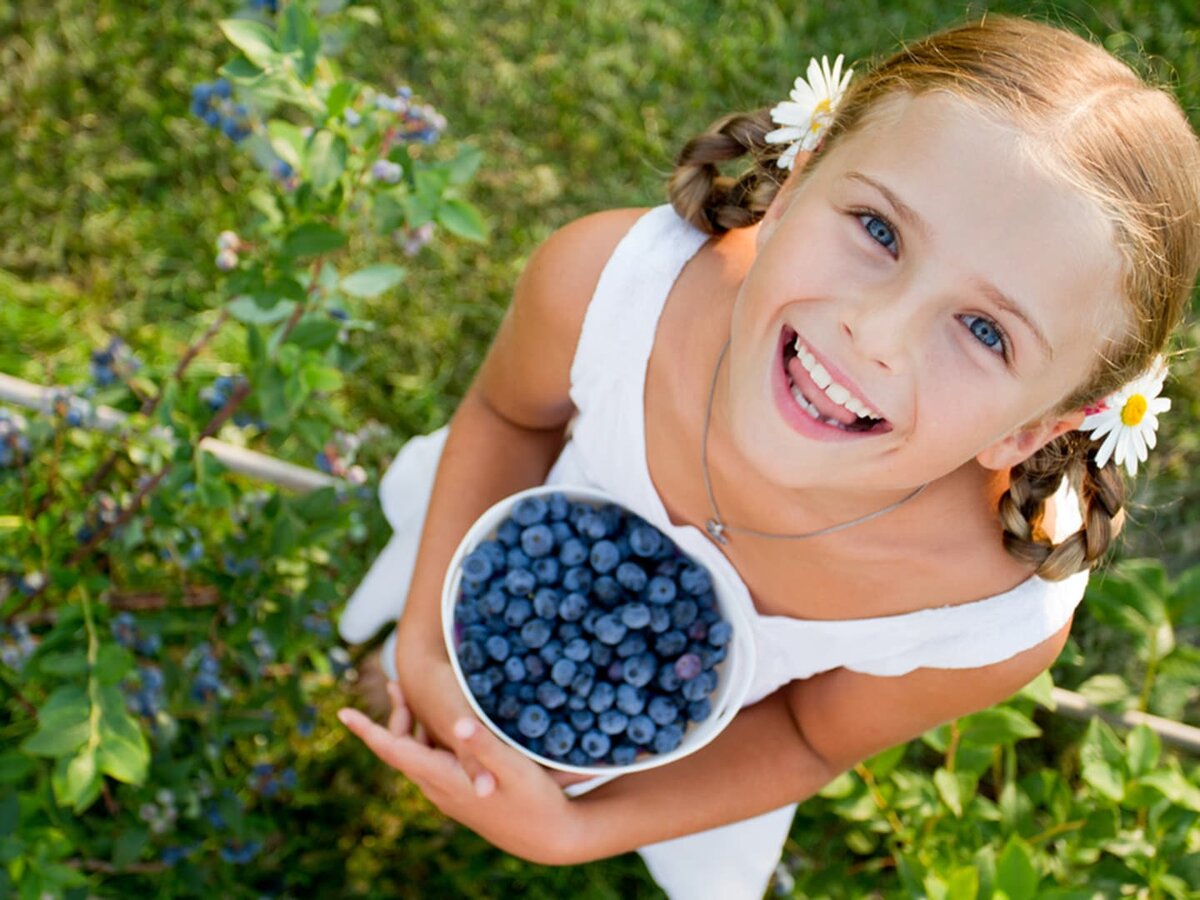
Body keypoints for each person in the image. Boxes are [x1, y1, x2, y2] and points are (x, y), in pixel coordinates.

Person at [336, 15, 1200, 898]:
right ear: (790, 190)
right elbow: (505, 420)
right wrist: (424, 644)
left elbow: (803, 738)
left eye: (985, 331)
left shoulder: (984, 610)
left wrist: (576, 826)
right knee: (426, 645)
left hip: (698, 752)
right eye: (879, 230)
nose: (878, 334)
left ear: (1034, 430)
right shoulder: (607, 290)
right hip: (506, 559)